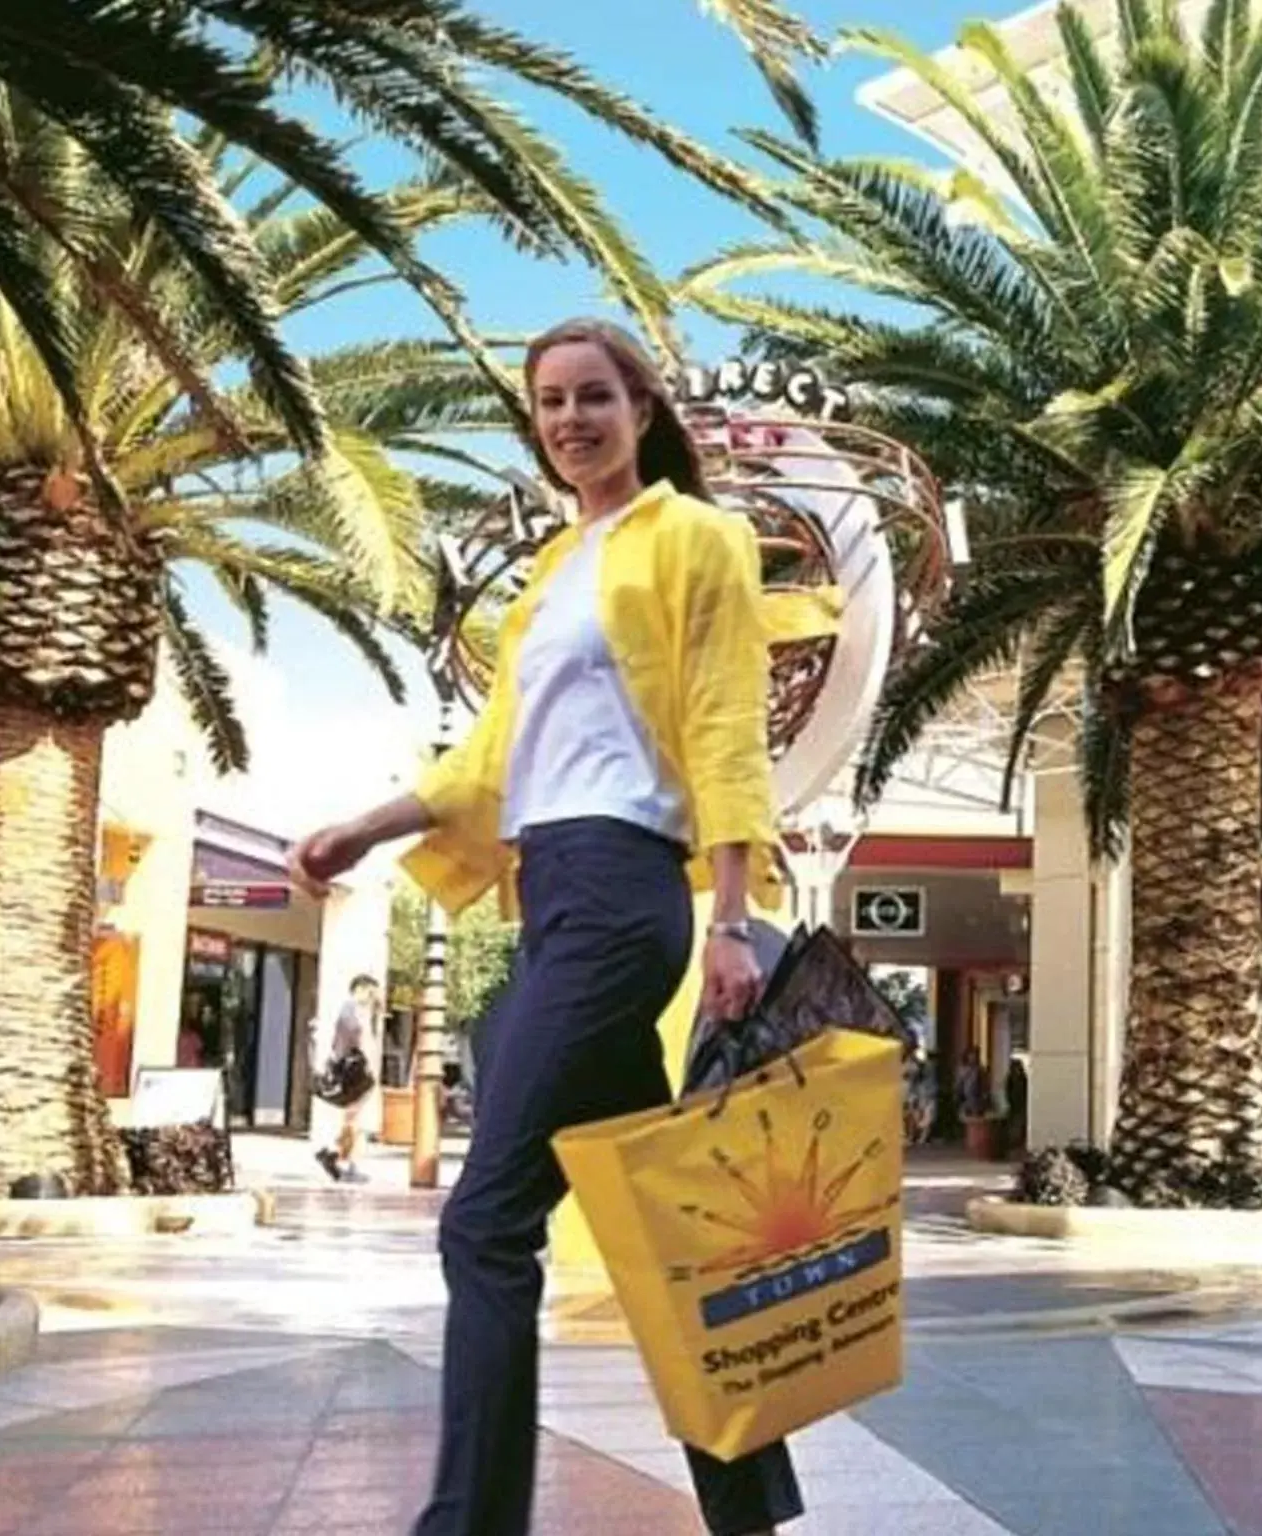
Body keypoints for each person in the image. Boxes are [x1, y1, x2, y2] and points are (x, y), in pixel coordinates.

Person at [289, 318, 800, 1536]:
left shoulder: (696, 539)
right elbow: (493, 757)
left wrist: (732, 917)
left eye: (595, 398)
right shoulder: (553, 575)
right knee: (652, 1222)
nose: (571, 420)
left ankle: (467, 1525)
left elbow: (729, 724)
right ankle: (748, 1509)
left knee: (485, 1218)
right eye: (551, 403)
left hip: (627, 901)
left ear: (641, 408)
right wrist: (366, 827)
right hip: (551, 897)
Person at [314, 975, 380, 1182]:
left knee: (352, 1117)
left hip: (353, 1067)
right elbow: (352, 1033)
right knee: (355, 1118)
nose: (372, 997)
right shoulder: (351, 1008)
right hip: (353, 1069)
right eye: (370, 992)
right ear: (360, 989)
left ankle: (336, 1154)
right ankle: (347, 1162)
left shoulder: (355, 1010)